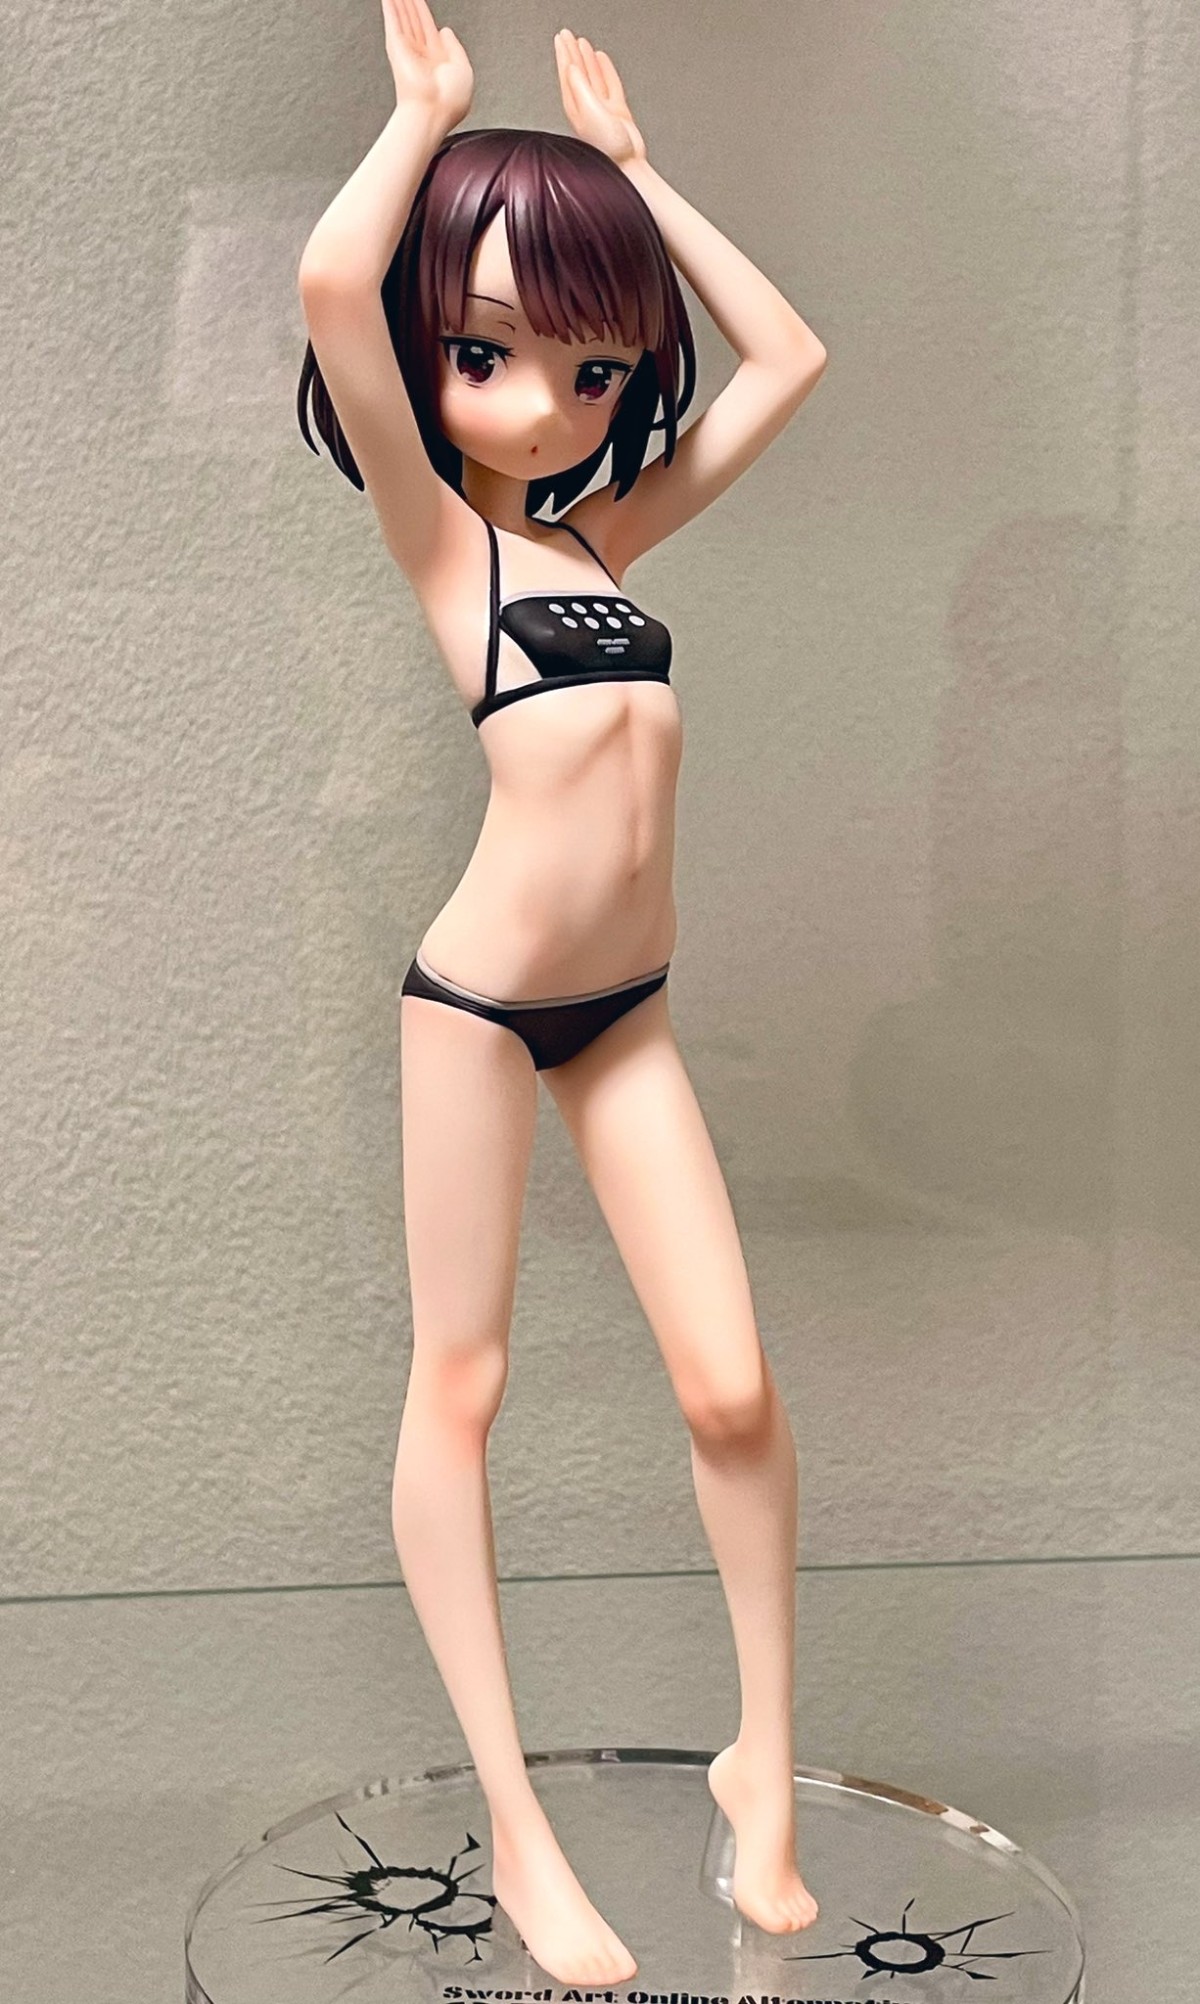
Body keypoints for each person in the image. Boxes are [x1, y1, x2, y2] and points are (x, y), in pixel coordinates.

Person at [296, 2, 828, 1984]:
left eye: (592, 367)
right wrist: (425, 116)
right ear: (433, 364)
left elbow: (790, 359)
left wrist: (643, 177)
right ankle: (518, 1832)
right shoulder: (448, 551)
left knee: (734, 1388)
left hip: (630, 1021)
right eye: (489, 354)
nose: (539, 406)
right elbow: (331, 284)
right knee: (464, 1385)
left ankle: (761, 1759)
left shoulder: (607, 534)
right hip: (476, 1007)